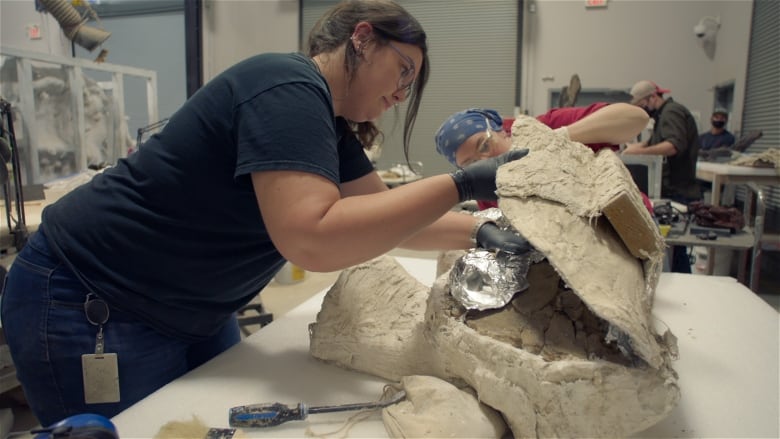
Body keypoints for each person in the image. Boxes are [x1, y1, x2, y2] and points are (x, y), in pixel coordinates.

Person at [0, 0, 530, 426]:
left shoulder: (327, 122)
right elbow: (312, 240)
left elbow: (388, 215)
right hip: (93, 296)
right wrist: (460, 182)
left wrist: (484, 231)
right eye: (403, 70)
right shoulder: (287, 83)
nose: (401, 92)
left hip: (192, 309)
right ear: (363, 38)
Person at [435, 103, 650, 211]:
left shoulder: (547, 125)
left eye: (484, 145)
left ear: (501, 130)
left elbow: (636, 118)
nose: (485, 162)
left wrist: (557, 137)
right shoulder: (485, 183)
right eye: (471, 164)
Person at [623, 80, 702, 273]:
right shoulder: (662, 116)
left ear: (652, 97)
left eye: (642, 105)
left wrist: (638, 154)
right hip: (673, 187)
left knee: (676, 248)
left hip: (678, 189)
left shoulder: (671, 112)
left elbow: (673, 145)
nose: (643, 109)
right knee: (674, 248)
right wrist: (626, 148)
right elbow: (651, 142)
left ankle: (683, 288)